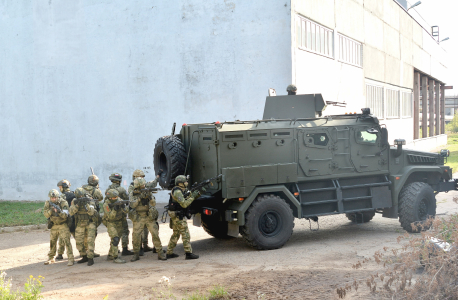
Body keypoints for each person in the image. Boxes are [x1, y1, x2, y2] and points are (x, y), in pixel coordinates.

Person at [129, 178, 166, 262]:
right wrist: (139, 199)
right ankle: (136, 254)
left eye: (144, 184)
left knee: (155, 235)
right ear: (137, 185)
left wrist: (149, 197)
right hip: (138, 217)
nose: (144, 186)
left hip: (149, 216)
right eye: (142, 185)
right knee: (136, 236)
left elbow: (153, 204)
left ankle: (160, 253)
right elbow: (132, 205)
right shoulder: (133, 193)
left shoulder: (147, 191)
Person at [166, 175, 201, 260]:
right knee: (185, 234)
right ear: (180, 183)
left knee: (176, 234)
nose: (187, 183)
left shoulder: (181, 190)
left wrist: (195, 195)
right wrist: (192, 197)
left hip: (176, 215)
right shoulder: (177, 191)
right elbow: (184, 204)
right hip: (178, 216)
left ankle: (169, 252)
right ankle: (188, 253)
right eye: (185, 181)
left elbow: (186, 199)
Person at [128, 169, 160, 255]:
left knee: (147, 229)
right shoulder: (132, 186)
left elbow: (151, 184)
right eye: (141, 177)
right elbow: (132, 197)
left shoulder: (143, 185)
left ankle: (145, 245)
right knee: (137, 231)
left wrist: (157, 178)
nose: (142, 179)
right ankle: (139, 249)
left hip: (146, 212)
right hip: (137, 212)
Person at [43, 189, 74, 266]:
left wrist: (59, 211)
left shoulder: (63, 202)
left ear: (57, 197)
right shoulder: (48, 203)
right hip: (54, 225)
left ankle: (71, 258)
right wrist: (51, 210)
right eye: (52, 198)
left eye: (55, 198)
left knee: (67, 242)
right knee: (52, 241)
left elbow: (65, 215)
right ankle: (51, 257)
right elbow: (46, 214)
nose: (53, 199)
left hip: (63, 224)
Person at [105, 173, 133, 256]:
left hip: (111, 215)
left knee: (114, 235)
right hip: (120, 213)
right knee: (124, 231)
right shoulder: (122, 189)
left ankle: (114, 250)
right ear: (119, 181)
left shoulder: (108, 190)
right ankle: (125, 249)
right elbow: (127, 199)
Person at [69, 187, 98, 266]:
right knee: (79, 241)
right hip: (80, 223)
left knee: (90, 241)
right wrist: (77, 205)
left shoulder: (90, 200)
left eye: (82, 196)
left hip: (90, 222)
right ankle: (84, 256)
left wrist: (86, 205)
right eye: (79, 197)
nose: (81, 198)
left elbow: (91, 212)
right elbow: (71, 212)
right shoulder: (74, 201)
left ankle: (90, 258)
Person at [103, 189, 128, 263]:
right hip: (111, 223)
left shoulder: (119, 200)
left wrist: (123, 207)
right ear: (109, 198)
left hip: (119, 222)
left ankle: (110, 255)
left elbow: (126, 211)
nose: (116, 198)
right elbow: (111, 217)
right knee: (115, 239)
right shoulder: (106, 204)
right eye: (114, 197)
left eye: (116, 197)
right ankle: (116, 257)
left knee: (116, 239)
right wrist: (115, 209)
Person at [82, 175, 103, 257]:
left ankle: (85, 250)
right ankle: (91, 251)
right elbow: (100, 198)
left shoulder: (83, 188)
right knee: (92, 233)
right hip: (93, 213)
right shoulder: (95, 190)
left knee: (84, 233)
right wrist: (98, 190)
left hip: (83, 213)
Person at [55, 179, 76, 260]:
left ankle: (60, 254)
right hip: (73, 219)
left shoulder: (61, 197)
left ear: (63, 187)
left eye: (60, 187)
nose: (59, 188)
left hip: (65, 220)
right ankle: (83, 252)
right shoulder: (74, 194)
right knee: (77, 237)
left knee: (62, 238)